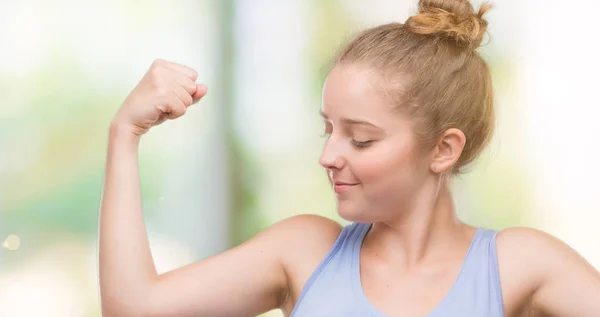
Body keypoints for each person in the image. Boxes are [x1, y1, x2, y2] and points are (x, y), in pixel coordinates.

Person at [98, 0, 600, 316]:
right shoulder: (305, 252)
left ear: (444, 150)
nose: (327, 156)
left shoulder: (519, 265)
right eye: (327, 129)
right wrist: (125, 133)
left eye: (360, 139)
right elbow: (132, 308)